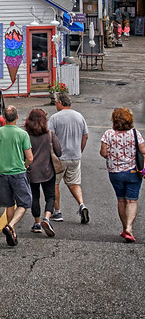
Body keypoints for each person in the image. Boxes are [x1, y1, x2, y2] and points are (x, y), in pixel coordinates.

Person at [0, 105, 33, 246]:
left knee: (9, 204)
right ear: (17, 117)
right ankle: (11, 225)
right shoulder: (22, 134)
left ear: (4, 118)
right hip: (18, 172)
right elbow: (30, 157)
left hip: (3, 174)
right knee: (25, 202)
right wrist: (25, 165)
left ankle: (12, 233)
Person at [100, 108, 145, 243]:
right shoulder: (135, 134)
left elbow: (103, 153)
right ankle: (129, 228)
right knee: (131, 200)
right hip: (133, 172)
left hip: (115, 172)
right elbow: (143, 150)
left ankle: (124, 227)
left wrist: (114, 155)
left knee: (121, 200)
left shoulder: (108, 134)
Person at [48, 92, 90, 224]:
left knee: (54, 184)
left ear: (60, 102)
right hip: (75, 156)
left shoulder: (55, 118)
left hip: (59, 158)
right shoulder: (79, 116)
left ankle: (58, 212)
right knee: (74, 183)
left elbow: (49, 138)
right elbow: (85, 136)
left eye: (56, 102)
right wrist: (80, 150)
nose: (55, 104)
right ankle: (82, 204)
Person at [24, 109, 62, 237]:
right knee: (50, 196)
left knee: (34, 196)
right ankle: (47, 217)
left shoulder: (26, 135)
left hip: (31, 171)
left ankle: (36, 223)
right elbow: (59, 152)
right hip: (48, 171)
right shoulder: (49, 135)